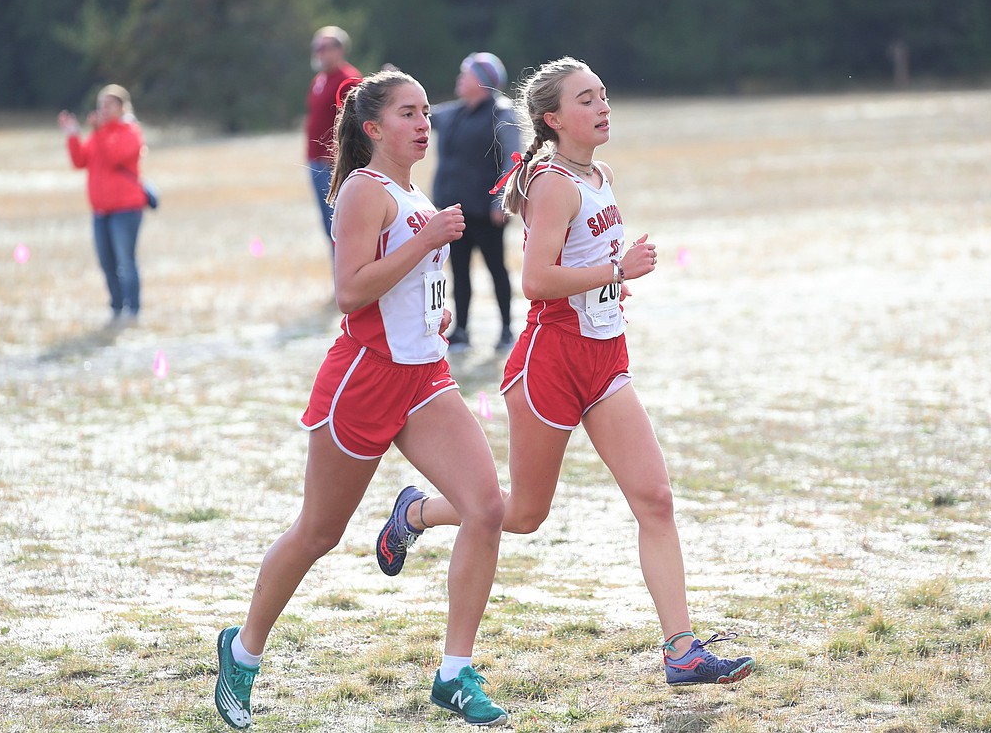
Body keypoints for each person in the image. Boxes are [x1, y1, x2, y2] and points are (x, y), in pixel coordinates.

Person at [375, 57, 756, 687]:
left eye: (604, 95)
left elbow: (585, 265)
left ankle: (681, 651)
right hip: (550, 365)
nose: (603, 106)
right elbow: (536, 281)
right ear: (553, 119)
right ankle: (415, 513)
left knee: (655, 499)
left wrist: (609, 287)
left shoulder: (599, 172)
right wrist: (616, 273)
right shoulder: (553, 182)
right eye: (587, 99)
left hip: (606, 359)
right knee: (523, 515)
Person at [215, 70, 508, 730]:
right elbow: (350, 293)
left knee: (486, 509)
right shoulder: (361, 192)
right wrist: (427, 242)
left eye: (427, 111)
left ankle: (455, 672)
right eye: (408, 112)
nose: (423, 122)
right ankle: (241, 651)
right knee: (318, 532)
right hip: (367, 381)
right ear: (373, 127)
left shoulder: (412, 192)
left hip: (425, 379)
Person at [431, 52, 520, 352]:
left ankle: (507, 330)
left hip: (486, 212)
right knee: (458, 271)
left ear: (482, 82)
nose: (459, 78)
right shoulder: (452, 113)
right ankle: (462, 331)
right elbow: (419, 113)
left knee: (497, 269)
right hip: (453, 210)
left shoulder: (502, 115)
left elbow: (513, 161)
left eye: (465, 73)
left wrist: (502, 203)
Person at [58, 84, 149, 324]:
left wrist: (99, 131)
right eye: (100, 105)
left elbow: (115, 156)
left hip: (126, 209)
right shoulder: (99, 133)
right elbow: (80, 161)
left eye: (109, 105)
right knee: (106, 262)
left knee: (125, 261)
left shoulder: (130, 132)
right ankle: (116, 307)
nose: (103, 109)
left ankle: (133, 308)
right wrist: (72, 134)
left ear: (122, 107)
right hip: (101, 211)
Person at [305, 26, 361, 254]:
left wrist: (342, 160)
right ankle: (340, 282)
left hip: (335, 165)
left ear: (340, 50)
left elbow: (354, 125)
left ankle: (349, 284)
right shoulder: (319, 79)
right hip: (316, 162)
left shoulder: (348, 80)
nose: (319, 52)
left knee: (341, 225)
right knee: (328, 225)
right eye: (316, 47)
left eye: (324, 47)